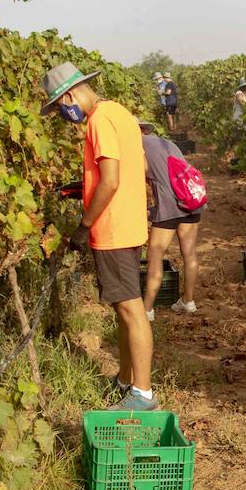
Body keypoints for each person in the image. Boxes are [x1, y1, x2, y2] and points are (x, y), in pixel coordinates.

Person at [41, 61, 159, 412]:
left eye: (60, 107)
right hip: (129, 222)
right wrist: (85, 188)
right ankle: (126, 380)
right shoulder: (120, 113)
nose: (65, 115)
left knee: (131, 310)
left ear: (69, 96)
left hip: (113, 228)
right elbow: (134, 169)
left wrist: (85, 223)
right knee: (124, 308)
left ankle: (143, 394)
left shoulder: (97, 121)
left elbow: (111, 180)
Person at [139, 117, 203, 318]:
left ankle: (147, 309)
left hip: (168, 205)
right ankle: (188, 301)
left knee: (155, 254)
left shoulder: (137, 147)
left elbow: (143, 173)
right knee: (190, 253)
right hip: (190, 200)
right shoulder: (167, 143)